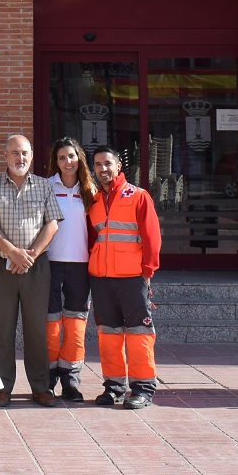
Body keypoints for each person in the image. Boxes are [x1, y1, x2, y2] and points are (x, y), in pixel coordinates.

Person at [0, 133, 62, 407]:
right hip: (1, 266)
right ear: (5, 156)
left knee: (37, 329)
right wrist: (13, 252)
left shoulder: (44, 186)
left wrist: (29, 256)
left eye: (24, 153)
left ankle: (41, 387)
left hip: (36, 267)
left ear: (32, 156)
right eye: (14, 152)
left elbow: (52, 224)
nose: (20, 158)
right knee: (2, 329)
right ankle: (2, 387)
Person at [87, 145, 162, 410]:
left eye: (108, 163)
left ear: (119, 166)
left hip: (132, 278)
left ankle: (143, 389)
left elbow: (152, 237)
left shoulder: (138, 196)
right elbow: (92, 240)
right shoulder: (94, 201)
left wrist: (148, 272)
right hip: (101, 278)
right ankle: (114, 387)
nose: (103, 169)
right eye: (98, 165)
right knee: (108, 335)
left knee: (139, 333)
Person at [46, 137, 99, 402]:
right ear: (55, 162)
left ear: (80, 158)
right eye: (62, 157)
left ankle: (70, 381)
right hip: (49, 263)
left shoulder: (91, 190)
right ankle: (47, 379)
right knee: (51, 325)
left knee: (76, 326)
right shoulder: (45, 187)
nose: (68, 162)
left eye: (72, 156)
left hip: (81, 265)